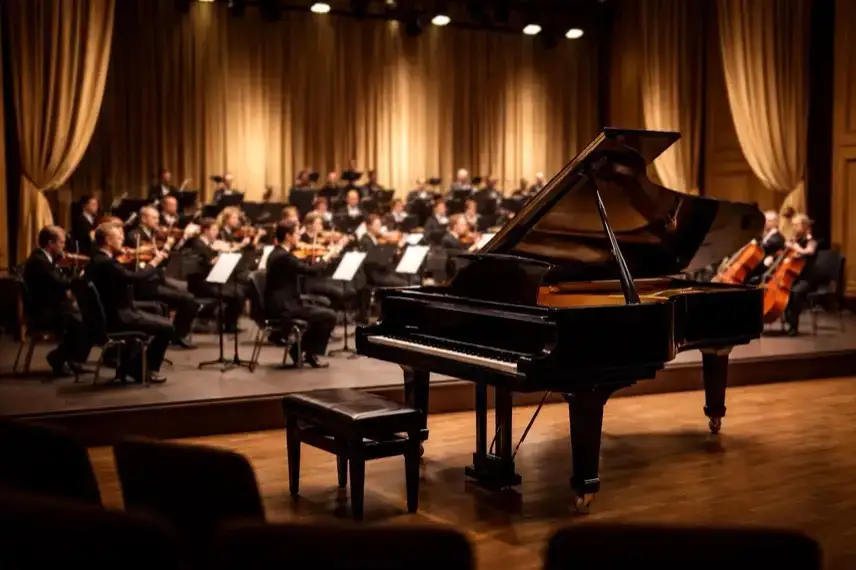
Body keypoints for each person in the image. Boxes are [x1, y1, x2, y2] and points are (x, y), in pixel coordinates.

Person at [86, 223, 173, 383]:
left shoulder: (98, 259)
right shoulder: (105, 263)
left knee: (156, 310)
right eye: (118, 237)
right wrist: (155, 261)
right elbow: (134, 278)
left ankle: (131, 364)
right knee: (167, 327)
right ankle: (145, 368)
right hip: (118, 317)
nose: (122, 240)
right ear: (107, 240)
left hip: (117, 310)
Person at [265, 221, 338, 367]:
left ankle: (304, 351)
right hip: (285, 307)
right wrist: (327, 257)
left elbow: (299, 267)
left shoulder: (278, 253)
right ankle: (303, 351)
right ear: (288, 236)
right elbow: (309, 270)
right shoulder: (283, 257)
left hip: (286, 302)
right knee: (328, 315)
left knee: (323, 313)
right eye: (297, 233)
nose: (299, 236)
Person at [22, 226, 92, 376]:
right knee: (84, 324)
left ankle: (70, 359)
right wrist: (81, 275)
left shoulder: (42, 257)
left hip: (47, 307)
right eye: (61, 242)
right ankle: (59, 357)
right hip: (43, 313)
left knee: (81, 318)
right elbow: (61, 282)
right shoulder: (39, 261)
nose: (63, 246)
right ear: (50, 243)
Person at [125, 206, 198, 348]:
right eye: (154, 218)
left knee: (189, 295)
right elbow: (142, 261)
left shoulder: (154, 235)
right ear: (144, 219)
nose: (158, 221)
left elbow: (164, 261)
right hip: (145, 284)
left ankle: (175, 333)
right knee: (188, 299)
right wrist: (165, 248)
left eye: (158, 217)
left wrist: (169, 246)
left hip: (157, 279)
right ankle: (175, 335)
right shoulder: (135, 235)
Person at [185, 218, 245, 332]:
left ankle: (228, 323)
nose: (216, 232)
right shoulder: (198, 244)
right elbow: (200, 265)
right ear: (205, 231)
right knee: (236, 294)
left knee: (239, 290)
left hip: (210, 280)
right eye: (214, 230)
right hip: (200, 284)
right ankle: (227, 325)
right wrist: (219, 257)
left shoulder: (208, 244)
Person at [782, 214, 819, 336]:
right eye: (793, 225)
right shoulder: (795, 240)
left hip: (806, 278)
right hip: (793, 276)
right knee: (785, 291)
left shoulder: (811, 241)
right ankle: (787, 317)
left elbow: (809, 251)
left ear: (804, 226)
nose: (794, 228)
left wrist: (796, 248)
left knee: (796, 292)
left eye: (797, 225)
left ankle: (793, 326)